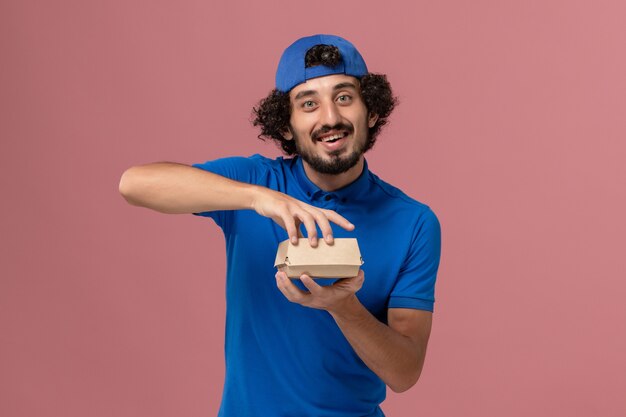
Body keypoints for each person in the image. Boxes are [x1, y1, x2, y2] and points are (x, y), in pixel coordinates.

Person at [119, 34, 441, 417]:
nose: (330, 118)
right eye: (308, 104)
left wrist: (344, 308)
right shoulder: (253, 182)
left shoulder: (414, 222)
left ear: (370, 112)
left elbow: (404, 373)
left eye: (344, 97)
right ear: (285, 126)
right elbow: (134, 184)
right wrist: (259, 198)